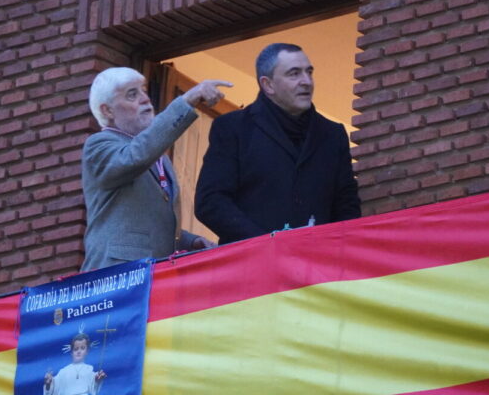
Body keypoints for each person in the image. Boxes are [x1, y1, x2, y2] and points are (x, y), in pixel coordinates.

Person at [194, 43, 361, 244]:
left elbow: (347, 206)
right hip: (252, 265)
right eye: (294, 74)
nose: (306, 81)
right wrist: (266, 243)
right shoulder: (233, 128)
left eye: (309, 72)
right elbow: (211, 202)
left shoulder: (333, 135)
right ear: (268, 85)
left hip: (319, 267)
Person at [81, 66, 231, 271]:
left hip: (154, 276)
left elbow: (148, 222)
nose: (145, 99)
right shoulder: (98, 145)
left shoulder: (159, 158)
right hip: (115, 277)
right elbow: (135, 156)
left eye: (143, 90)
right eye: (132, 95)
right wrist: (187, 101)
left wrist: (190, 241)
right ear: (108, 110)